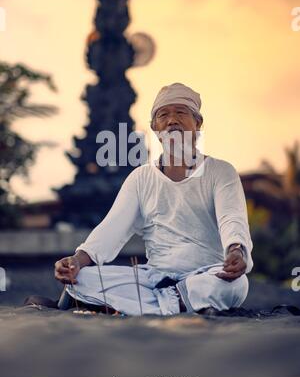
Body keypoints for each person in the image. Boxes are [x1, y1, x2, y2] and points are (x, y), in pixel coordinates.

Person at [53, 82, 253, 316]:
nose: (172, 121)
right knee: (85, 277)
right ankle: (176, 303)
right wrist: (76, 261)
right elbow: (110, 230)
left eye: (181, 113)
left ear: (197, 124)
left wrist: (236, 251)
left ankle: (147, 304)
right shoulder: (141, 177)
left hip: (205, 274)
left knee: (234, 285)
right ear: (155, 128)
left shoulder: (220, 171)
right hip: (154, 278)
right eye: (164, 115)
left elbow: (233, 218)